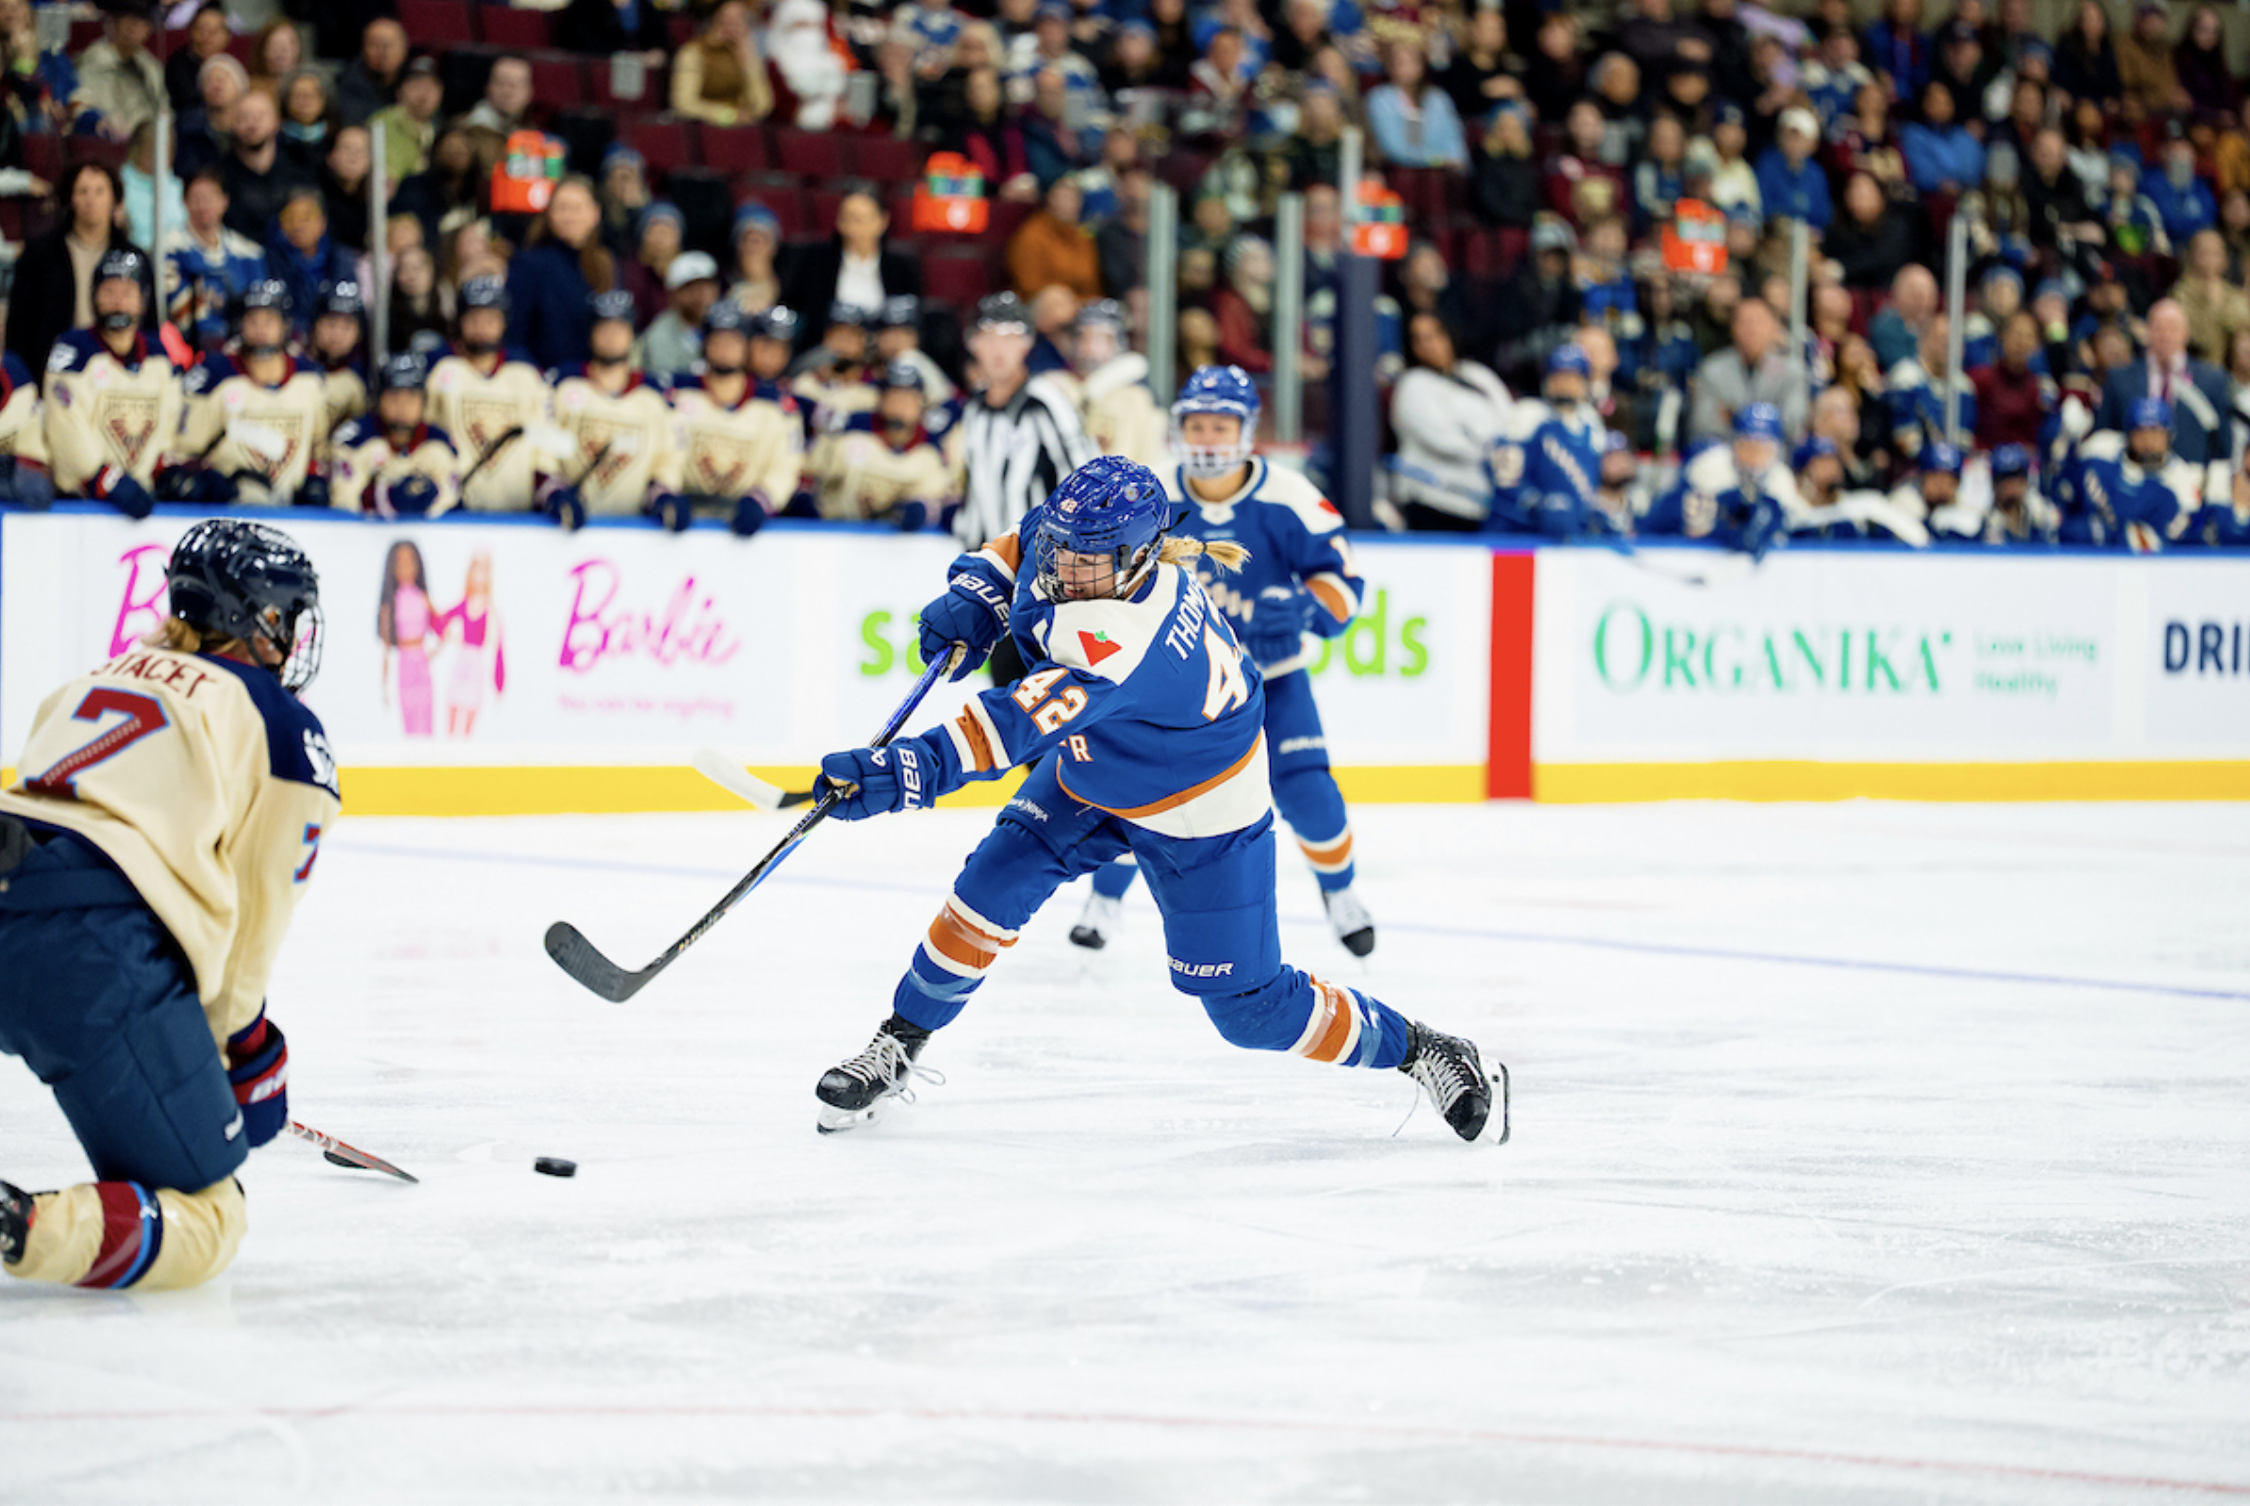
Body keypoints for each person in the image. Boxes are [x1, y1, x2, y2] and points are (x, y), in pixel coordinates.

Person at [807, 456, 1506, 1142]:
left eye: (1088, 562)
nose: (1065, 571)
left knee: (1249, 1010)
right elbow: (1023, 541)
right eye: (1064, 550)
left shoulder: (1122, 638)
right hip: (1096, 768)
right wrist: (979, 589)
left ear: (1138, 562)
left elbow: (1009, 727)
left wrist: (902, 773)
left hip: (1200, 814)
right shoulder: (1088, 547)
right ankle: (897, 1043)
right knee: (984, 893)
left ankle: (1424, 1049)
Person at [0, 519, 336, 1295]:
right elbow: (249, 943)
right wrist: (241, 1062)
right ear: (265, 620)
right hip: (90, 953)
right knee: (213, 1215)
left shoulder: (101, 675)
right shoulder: (285, 729)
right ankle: (30, 1227)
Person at [1071, 364, 1376, 954]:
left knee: (1308, 790)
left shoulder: (1290, 497)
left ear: (1246, 429)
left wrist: (1308, 609)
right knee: (1131, 789)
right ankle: (1103, 900)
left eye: (1220, 425)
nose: (1207, 438)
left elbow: (1343, 582)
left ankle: (1341, 893)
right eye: (1197, 424)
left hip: (1271, 679)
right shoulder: (1147, 494)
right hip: (1173, 689)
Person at [950, 292, 1098, 682]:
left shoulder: (1047, 402)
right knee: (1008, 696)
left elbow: (1089, 480)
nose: (1000, 347)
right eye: (990, 335)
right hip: (1000, 581)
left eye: (1012, 335)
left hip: (1050, 583)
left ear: (1028, 343)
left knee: (1052, 697)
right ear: (973, 343)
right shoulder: (975, 409)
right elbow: (975, 496)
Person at [30, 249, 176, 517]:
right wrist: (106, 478)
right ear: (94, 296)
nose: (118, 302)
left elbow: (168, 425)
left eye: (127, 293)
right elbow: (65, 427)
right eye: (109, 292)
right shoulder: (73, 350)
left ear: (142, 300)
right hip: (82, 503)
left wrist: (168, 471)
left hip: (142, 500)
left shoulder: (158, 355)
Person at [169, 280, 331, 507]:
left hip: (293, 513)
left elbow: (320, 447)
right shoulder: (213, 375)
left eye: (269, 321)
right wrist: (209, 480)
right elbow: (182, 449)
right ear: (240, 325)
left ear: (285, 325)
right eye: (252, 321)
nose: (261, 330)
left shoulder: (310, 378)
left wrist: (315, 478)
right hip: (228, 507)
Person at [539, 289, 684, 529]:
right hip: (568, 524)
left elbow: (670, 456)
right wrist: (554, 493)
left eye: (619, 328)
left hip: (638, 529)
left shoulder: (655, 395)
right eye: (603, 328)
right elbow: (544, 445)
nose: (611, 336)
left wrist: (662, 496)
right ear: (591, 333)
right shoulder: (563, 384)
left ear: (632, 335)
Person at [5, 161, 150, 378]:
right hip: (54, 371)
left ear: (114, 199)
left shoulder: (134, 257)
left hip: (122, 372)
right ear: (70, 199)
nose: (91, 200)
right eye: (82, 191)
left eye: (100, 191)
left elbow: (148, 322)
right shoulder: (39, 254)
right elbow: (20, 326)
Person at [672, 301, 806, 534]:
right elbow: (663, 452)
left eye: (733, 341)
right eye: (718, 340)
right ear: (704, 345)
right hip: (683, 516)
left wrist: (761, 500)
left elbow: (786, 467)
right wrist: (665, 493)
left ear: (746, 347)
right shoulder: (678, 395)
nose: (725, 349)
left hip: (746, 519)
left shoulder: (776, 406)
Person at [428, 277, 554, 513]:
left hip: (519, 516)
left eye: (490, 319)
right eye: (473, 319)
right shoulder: (440, 369)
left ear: (504, 323)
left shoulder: (526, 374)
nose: (481, 327)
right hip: (453, 512)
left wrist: (550, 490)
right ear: (460, 322)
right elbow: (427, 436)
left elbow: (544, 442)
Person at [2096, 297, 2233, 509]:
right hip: (2131, 487)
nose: (2166, 335)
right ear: (2147, 332)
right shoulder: (2120, 378)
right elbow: (2103, 436)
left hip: (2191, 487)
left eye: (2173, 328)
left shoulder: (2211, 379)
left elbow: (2222, 443)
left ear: (2186, 334)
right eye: (2159, 328)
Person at [1390, 312, 1513, 530]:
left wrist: (1502, 452)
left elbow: (1508, 422)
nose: (1429, 345)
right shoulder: (1412, 384)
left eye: (1435, 335)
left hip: (1481, 506)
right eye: (1419, 339)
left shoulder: (1478, 375)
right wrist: (1490, 453)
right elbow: (1444, 442)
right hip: (1431, 502)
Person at [1484, 343, 1612, 537]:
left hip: (1572, 534)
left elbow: (1595, 479)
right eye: (1558, 376)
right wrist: (1535, 502)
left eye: (1572, 377)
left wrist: (1597, 509)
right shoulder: (1528, 414)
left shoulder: (1590, 423)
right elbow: (1503, 473)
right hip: (1521, 532)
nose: (1565, 384)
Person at [1644, 401, 1800, 556]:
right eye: (1748, 444)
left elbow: (1787, 530)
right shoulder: (1707, 467)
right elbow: (1671, 517)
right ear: (1735, 443)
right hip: (1700, 553)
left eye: (1763, 447)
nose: (1755, 454)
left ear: (1776, 450)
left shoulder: (1782, 478)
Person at [807, 362, 954, 527]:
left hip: (905, 546)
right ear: (881, 400)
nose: (900, 406)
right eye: (894, 397)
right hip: (840, 534)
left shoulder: (931, 450)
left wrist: (914, 511)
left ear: (921, 404)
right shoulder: (853, 435)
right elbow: (814, 478)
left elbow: (942, 501)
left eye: (908, 399)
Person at [779, 187, 923, 355]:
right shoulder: (817, 261)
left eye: (860, 220)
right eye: (847, 219)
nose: (852, 228)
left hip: (885, 355)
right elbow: (793, 308)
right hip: (831, 353)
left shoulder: (901, 267)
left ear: (882, 222)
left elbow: (914, 319)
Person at [2059, 396, 2204, 549]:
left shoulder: (2183, 481)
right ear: (2128, 434)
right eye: (2140, 431)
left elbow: (2175, 537)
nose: (2148, 440)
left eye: (2155, 431)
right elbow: (2069, 486)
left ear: (2169, 435)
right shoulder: (2101, 450)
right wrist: (2068, 442)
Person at [327, 351, 461, 516]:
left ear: (424, 402)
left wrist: (425, 500)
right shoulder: (355, 439)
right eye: (394, 396)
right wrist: (382, 498)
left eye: (411, 397)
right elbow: (343, 503)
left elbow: (451, 504)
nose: (402, 406)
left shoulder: (440, 442)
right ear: (379, 399)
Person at [507, 177, 615, 373]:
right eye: (562, 208)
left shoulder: (606, 265)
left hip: (594, 385)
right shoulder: (529, 264)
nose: (569, 216)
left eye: (576, 208)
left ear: (595, 214)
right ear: (549, 215)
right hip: (543, 380)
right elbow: (514, 335)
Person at [1056, 299, 1166, 468]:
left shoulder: (1134, 397)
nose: (1090, 348)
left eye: (1101, 339)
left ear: (1119, 343)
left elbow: (1127, 464)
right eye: (1084, 337)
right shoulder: (1068, 387)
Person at [1689, 296, 1806, 441]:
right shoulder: (1712, 369)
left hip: (1775, 453)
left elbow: (1792, 423)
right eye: (1744, 322)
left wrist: (1735, 416)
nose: (1751, 329)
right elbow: (1703, 423)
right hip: (1724, 453)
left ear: (1774, 327)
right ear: (1733, 327)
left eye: (1759, 322)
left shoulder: (1792, 371)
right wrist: (1767, 417)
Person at [220, 87, 315, 246]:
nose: (252, 124)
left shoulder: (299, 168)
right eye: (243, 117)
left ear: (276, 122)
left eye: (260, 116)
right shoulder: (221, 176)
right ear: (232, 123)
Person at [70, 0, 163, 142]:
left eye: (141, 21)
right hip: (107, 141)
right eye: (127, 19)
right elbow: (86, 104)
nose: (133, 27)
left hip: (149, 142)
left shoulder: (150, 65)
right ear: (113, 23)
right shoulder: (95, 58)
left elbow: (162, 107)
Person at [669, 0, 773, 125]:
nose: (734, 26)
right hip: (706, 128)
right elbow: (683, 103)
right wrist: (729, 116)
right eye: (728, 20)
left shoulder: (746, 53)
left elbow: (763, 105)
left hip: (743, 129)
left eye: (739, 20)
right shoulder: (694, 52)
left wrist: (748, 63)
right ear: (715, 20)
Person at [638, 251, 721, 382]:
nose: (702, 296)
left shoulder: (720, 325)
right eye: (692, 289)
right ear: (674, 294)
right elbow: (664, 382)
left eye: (707, 287)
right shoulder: (662, 333)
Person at [369, 54, 442, 187]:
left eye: (431, 87)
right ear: (399, 90)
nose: (424, 94)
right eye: (416, 85)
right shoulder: (383, 122)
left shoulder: (440, 129)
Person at [310, 281, 370, 432]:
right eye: (330, 323)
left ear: (359, 334)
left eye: (346, 327)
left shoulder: (360, 379)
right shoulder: (295, 367)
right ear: (315, 325)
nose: (337, 335)